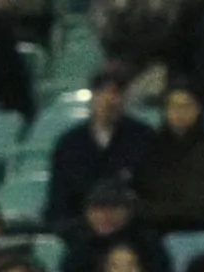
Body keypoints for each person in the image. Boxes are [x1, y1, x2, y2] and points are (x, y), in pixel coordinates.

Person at [48, 66, 156, 224]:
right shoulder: (70, 143)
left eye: (116, 92)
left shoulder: (143, 137)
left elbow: (151, 191)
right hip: (81, 230)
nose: (109, 100)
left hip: (133, 228)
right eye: (103, 92)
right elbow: (60, 198)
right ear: (93, 95)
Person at [57, 178, 170, 272]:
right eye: (98, 208)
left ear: (129, 211)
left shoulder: (148, 246)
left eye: (113, 208)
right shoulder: (79, 247)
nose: (105, 216)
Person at [134, 82, 204, 233]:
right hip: (156, 230)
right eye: (174, 106)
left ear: (198, 110)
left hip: (202, 228)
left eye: (186, 106)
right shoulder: (150, 150)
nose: (179, 112)